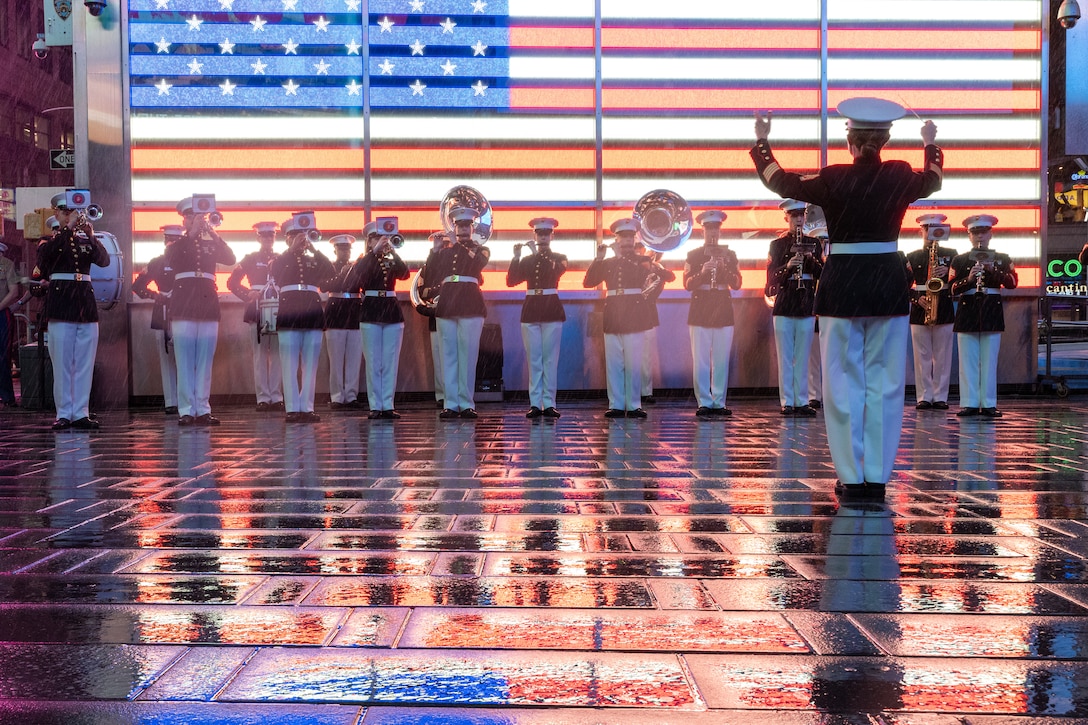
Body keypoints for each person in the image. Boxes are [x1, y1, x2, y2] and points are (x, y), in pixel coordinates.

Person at [752, 98, 943, 498]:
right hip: (887, 287)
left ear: (851, 143)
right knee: (887, 383)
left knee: (840, 381)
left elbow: (780, 181)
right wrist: (929, 142)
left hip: (841, 287)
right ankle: (876, 476)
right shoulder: (900, 175)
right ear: (886, 139)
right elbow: (933, 180)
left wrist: (763, 142)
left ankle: (851, 477)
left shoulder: (833, 177)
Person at [37, 192, 110, 430]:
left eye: (73, 213)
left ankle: (80, 412)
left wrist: (90, 235)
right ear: (56, 214)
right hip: (61, 305)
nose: (71, 217)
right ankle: (64, 413)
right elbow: (46, 261)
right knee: (63, 363)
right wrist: (67, 229)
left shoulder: (84, 240)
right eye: (66, 212)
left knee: (84, 363)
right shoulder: (49, 241)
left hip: (85, 306)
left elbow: (104, 261)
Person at [584, 218, 664, 419]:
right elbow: (588, 282)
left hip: (634, 315)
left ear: (634, 238)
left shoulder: (641, 260)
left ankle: (634, 404)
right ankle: (616, 404)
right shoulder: (609, 262)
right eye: (623, 237)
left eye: (630, 237)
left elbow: (641, 275)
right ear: (617, 239)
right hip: (613, 316)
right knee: (614, 363)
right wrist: (599, 259)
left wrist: (620, 257)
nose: (627, 241)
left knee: (633, 362)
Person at [167, 196, 237, 426]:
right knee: (185, 359)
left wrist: (213, 234)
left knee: (205, 359)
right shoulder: (178, 243)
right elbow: (171, 258)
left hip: (207, 303)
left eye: (198, 216)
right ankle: (187, 409)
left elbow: (230, 258)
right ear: (184, 220)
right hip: (184, 302)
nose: (195, 220)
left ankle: (203, 408)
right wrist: (193, 234)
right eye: (190, 216)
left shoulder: (211, 242)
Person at [950, 214, 1017, 418]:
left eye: (983, 232)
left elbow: (1013, 283)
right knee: (967, 360)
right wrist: (970, 279)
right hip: (967, 309)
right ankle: (969, 403)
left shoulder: (1002, 258)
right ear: (969, 236)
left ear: (990, 234)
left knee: (989, 360)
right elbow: (951, 288)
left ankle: (988, 403)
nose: (980, 237)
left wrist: (992, 270)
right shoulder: (960, 259)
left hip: (991, 310)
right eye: (975, 233)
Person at [271, 213, 334, 423]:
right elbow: (275, 272)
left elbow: (331, 271)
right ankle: (292, 408)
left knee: (310, 363)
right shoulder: (282, 258)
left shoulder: (312, 259)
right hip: (290, 311)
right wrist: (291, 250)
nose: (300, 238)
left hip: (312, 310)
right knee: (289, 362)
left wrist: (314, 248)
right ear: (287, 238)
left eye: (303, 235)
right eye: (295, 235)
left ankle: (306, 407)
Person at [430, 207, 489, 419]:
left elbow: (477, 264)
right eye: (459, 225)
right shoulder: (445, 251)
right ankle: (450, 403)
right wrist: (435, 251)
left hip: (471, 304)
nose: (463, 229)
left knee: (468, 355)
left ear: (472, 227)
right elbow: (430, 275)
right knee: (448, 356)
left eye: (466, 225)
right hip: (448, 304)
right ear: (453, 226)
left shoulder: (481, 248)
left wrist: (455, 244)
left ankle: (466, 403)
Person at [347, 221, 410, 419]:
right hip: (371, 311)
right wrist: (373, 252)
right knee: (374, 361)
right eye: (376, 237)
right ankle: (376, 405)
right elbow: (357, 274)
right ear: (369, 241)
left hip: (391, 310)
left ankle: (388, 405)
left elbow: (405, 273)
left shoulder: (391, 258)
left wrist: (393, 250)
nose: (381, 240)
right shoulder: (365, 260)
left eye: (383, 237)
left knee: (390, 360)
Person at [506, 216, 568, 418]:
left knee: (550, 359)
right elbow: (511, 281)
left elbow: (555, 271)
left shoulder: (559, 257)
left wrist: (534, 254)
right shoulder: (527, 260)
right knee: (534, 359)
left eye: (546, 233)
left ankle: (549, 403)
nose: (543, 237)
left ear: (552, 235)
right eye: (539, 233)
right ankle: (535, 403)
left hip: (551, 309)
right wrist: (516, 257)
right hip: (532, 309)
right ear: (534, 235)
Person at [766, 199, 822, 417]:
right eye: (794, 216)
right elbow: (770, 279)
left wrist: (810, 260)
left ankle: (802, 400)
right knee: (785, 356)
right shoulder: (777, 245)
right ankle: (787, 400)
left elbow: (822, 274)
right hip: (785, 302)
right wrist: (787, 267)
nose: (798, 220)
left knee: (803, 355)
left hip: (805, 302)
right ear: (786, 218)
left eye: (801, 216)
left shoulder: (814, 244)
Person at [684, 210, 743, 417]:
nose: (713, 234)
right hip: (700, 308)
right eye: (709, 229)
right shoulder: (693, 255)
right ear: (703, 231)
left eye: (716, 229)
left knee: (720, 358)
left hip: (722, 307)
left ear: (720, 231)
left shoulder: (730, 254)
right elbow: (687, 284)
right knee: (700, 359)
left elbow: (736, 283)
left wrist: (723, 269)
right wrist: (702, 272)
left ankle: (719, 401)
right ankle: (704, 402)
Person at [227, 221, 283, 412]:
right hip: (257, 307)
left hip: (276, 307)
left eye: (271, 236)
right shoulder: (250, 258)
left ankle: (276, 396)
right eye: (265, 236)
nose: (268, 239)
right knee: (260, 355)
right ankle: (262, 397)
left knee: (277, 354)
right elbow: (232, 283)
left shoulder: (281, 258)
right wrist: (247, 294)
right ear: (258, 238)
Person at [905, 213, 957, 411]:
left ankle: (940, 396)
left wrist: (948, 273)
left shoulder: (952, 254)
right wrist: (915, 298)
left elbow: (957, 281)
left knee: (943, 356)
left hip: (942, 305)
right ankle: (924, 396)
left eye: (935, 228)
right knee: (921, 356)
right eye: (927, 229)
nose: (930, 232)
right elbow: (903, 283)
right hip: (920, 306)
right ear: (921, 231)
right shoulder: (913, 256)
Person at [131, 224, 182, 415]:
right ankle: (171, 400)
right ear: (164, 241)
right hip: (162, 309)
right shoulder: (156, 262)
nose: (172, 243)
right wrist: (154, 296)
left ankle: (185, 399)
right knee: (166, 355)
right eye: (169, 240)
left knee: (185, 356)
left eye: (176, 240)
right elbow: (137, 285)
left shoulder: (187, 261)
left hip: (183, 309)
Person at [322, 233, 364, 410]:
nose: (345, 252)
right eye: (341, 248)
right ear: (335, 250)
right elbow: (325, 286)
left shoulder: (357, 267)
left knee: (354, 359)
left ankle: (352, 395)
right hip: (335, 313)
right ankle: (337, 397)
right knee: (336, 358)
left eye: (347, 249)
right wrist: (342, 274)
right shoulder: (328, 267)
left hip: (354, 312)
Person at [416, 231, 450, 409]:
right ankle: (442, 395)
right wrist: (440, 288)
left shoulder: (458, 262)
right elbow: (422, 291)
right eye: (440, 245)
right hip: (436, 314)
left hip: (456, 312)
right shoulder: (428, 267)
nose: (444, 248)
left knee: (455, 356)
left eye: (446, 244)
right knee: (439, 357)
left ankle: (454, 393)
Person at [0, 238, 22, 410]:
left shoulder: (7, 265)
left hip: (2, 314)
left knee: (3, 356)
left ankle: (7, 396)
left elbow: (14, 292)